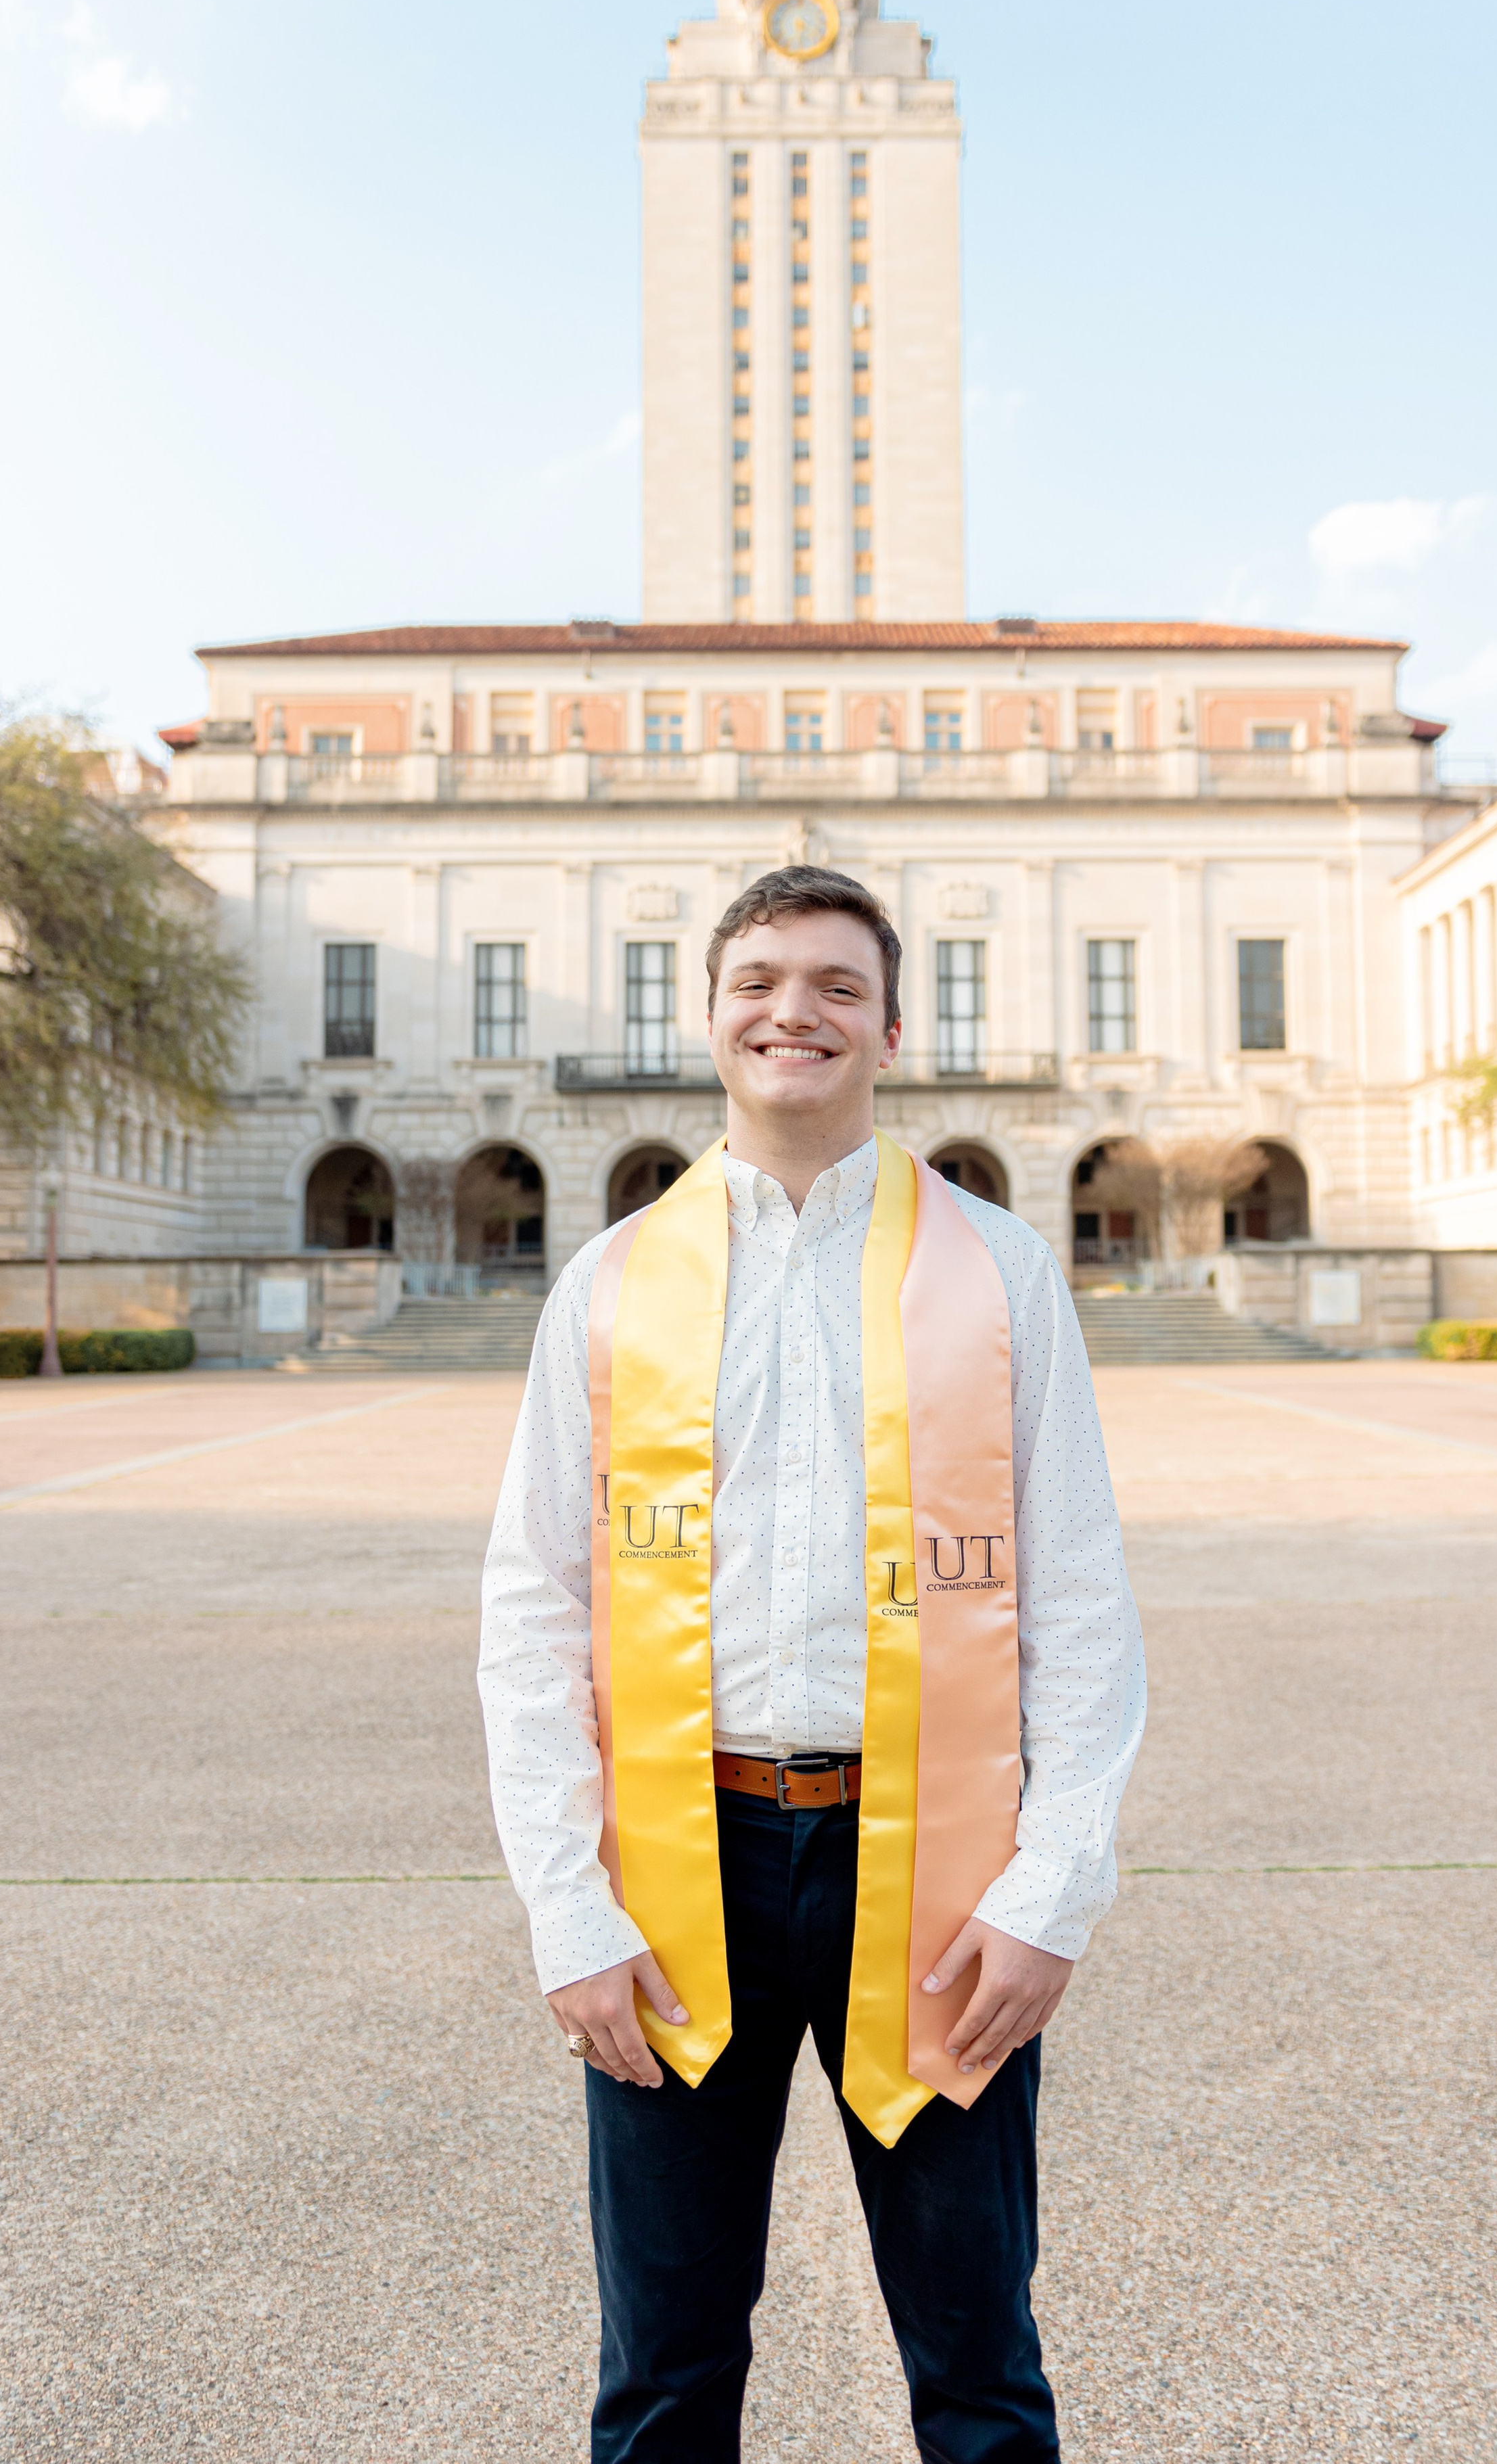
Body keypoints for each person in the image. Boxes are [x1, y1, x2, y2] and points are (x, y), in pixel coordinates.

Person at [479, 866, 1146, 2462]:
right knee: (663, 2367)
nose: (796, 1011)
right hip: (673, 1869)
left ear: (892, 1029)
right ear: (709, 1017)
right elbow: (534, 1604)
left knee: (978, 2361)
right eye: (761, 981)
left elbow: (1076, 1597)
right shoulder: (608, 1283)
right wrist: (566, 1907)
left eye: (839, 986)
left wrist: (1051, 1890)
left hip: (935, 1875)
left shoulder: (995, 1271)